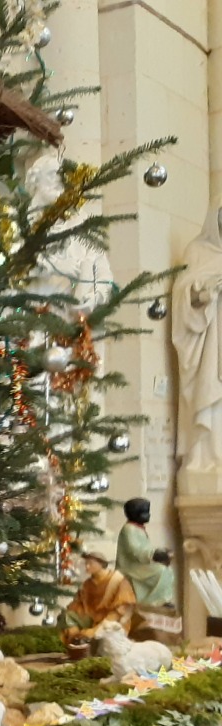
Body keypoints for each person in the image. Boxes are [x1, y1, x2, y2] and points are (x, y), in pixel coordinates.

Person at [173, 206, 222, 482]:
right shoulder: (197, 251)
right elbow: (183, 292)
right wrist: (205, 293)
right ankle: (205, 460)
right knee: (209, 399)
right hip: (209, 343)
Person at [61, 552, 137, 645]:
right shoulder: (87, 584)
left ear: (101, 564)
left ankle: (85, 641)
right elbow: (78, 604)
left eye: (90, 563)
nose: (87, 566)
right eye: (86, 563)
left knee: (106, 638)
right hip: (92, 619)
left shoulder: (118, 580)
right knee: (67, 616)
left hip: (111, 622)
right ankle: (77, 641)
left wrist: (96, 630)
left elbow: (120, 610)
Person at [116, 497, 176, 607]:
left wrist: (161, 553)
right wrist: (154, 555)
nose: (148, 515)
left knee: (167, 570)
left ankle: (160, 599)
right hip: (130, 567)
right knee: (161, 571)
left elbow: (145, 548)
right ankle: (153, 601)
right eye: (145, 512)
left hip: (140, 564)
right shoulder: (129, 529)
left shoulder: (138, 529)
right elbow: (135, 551)